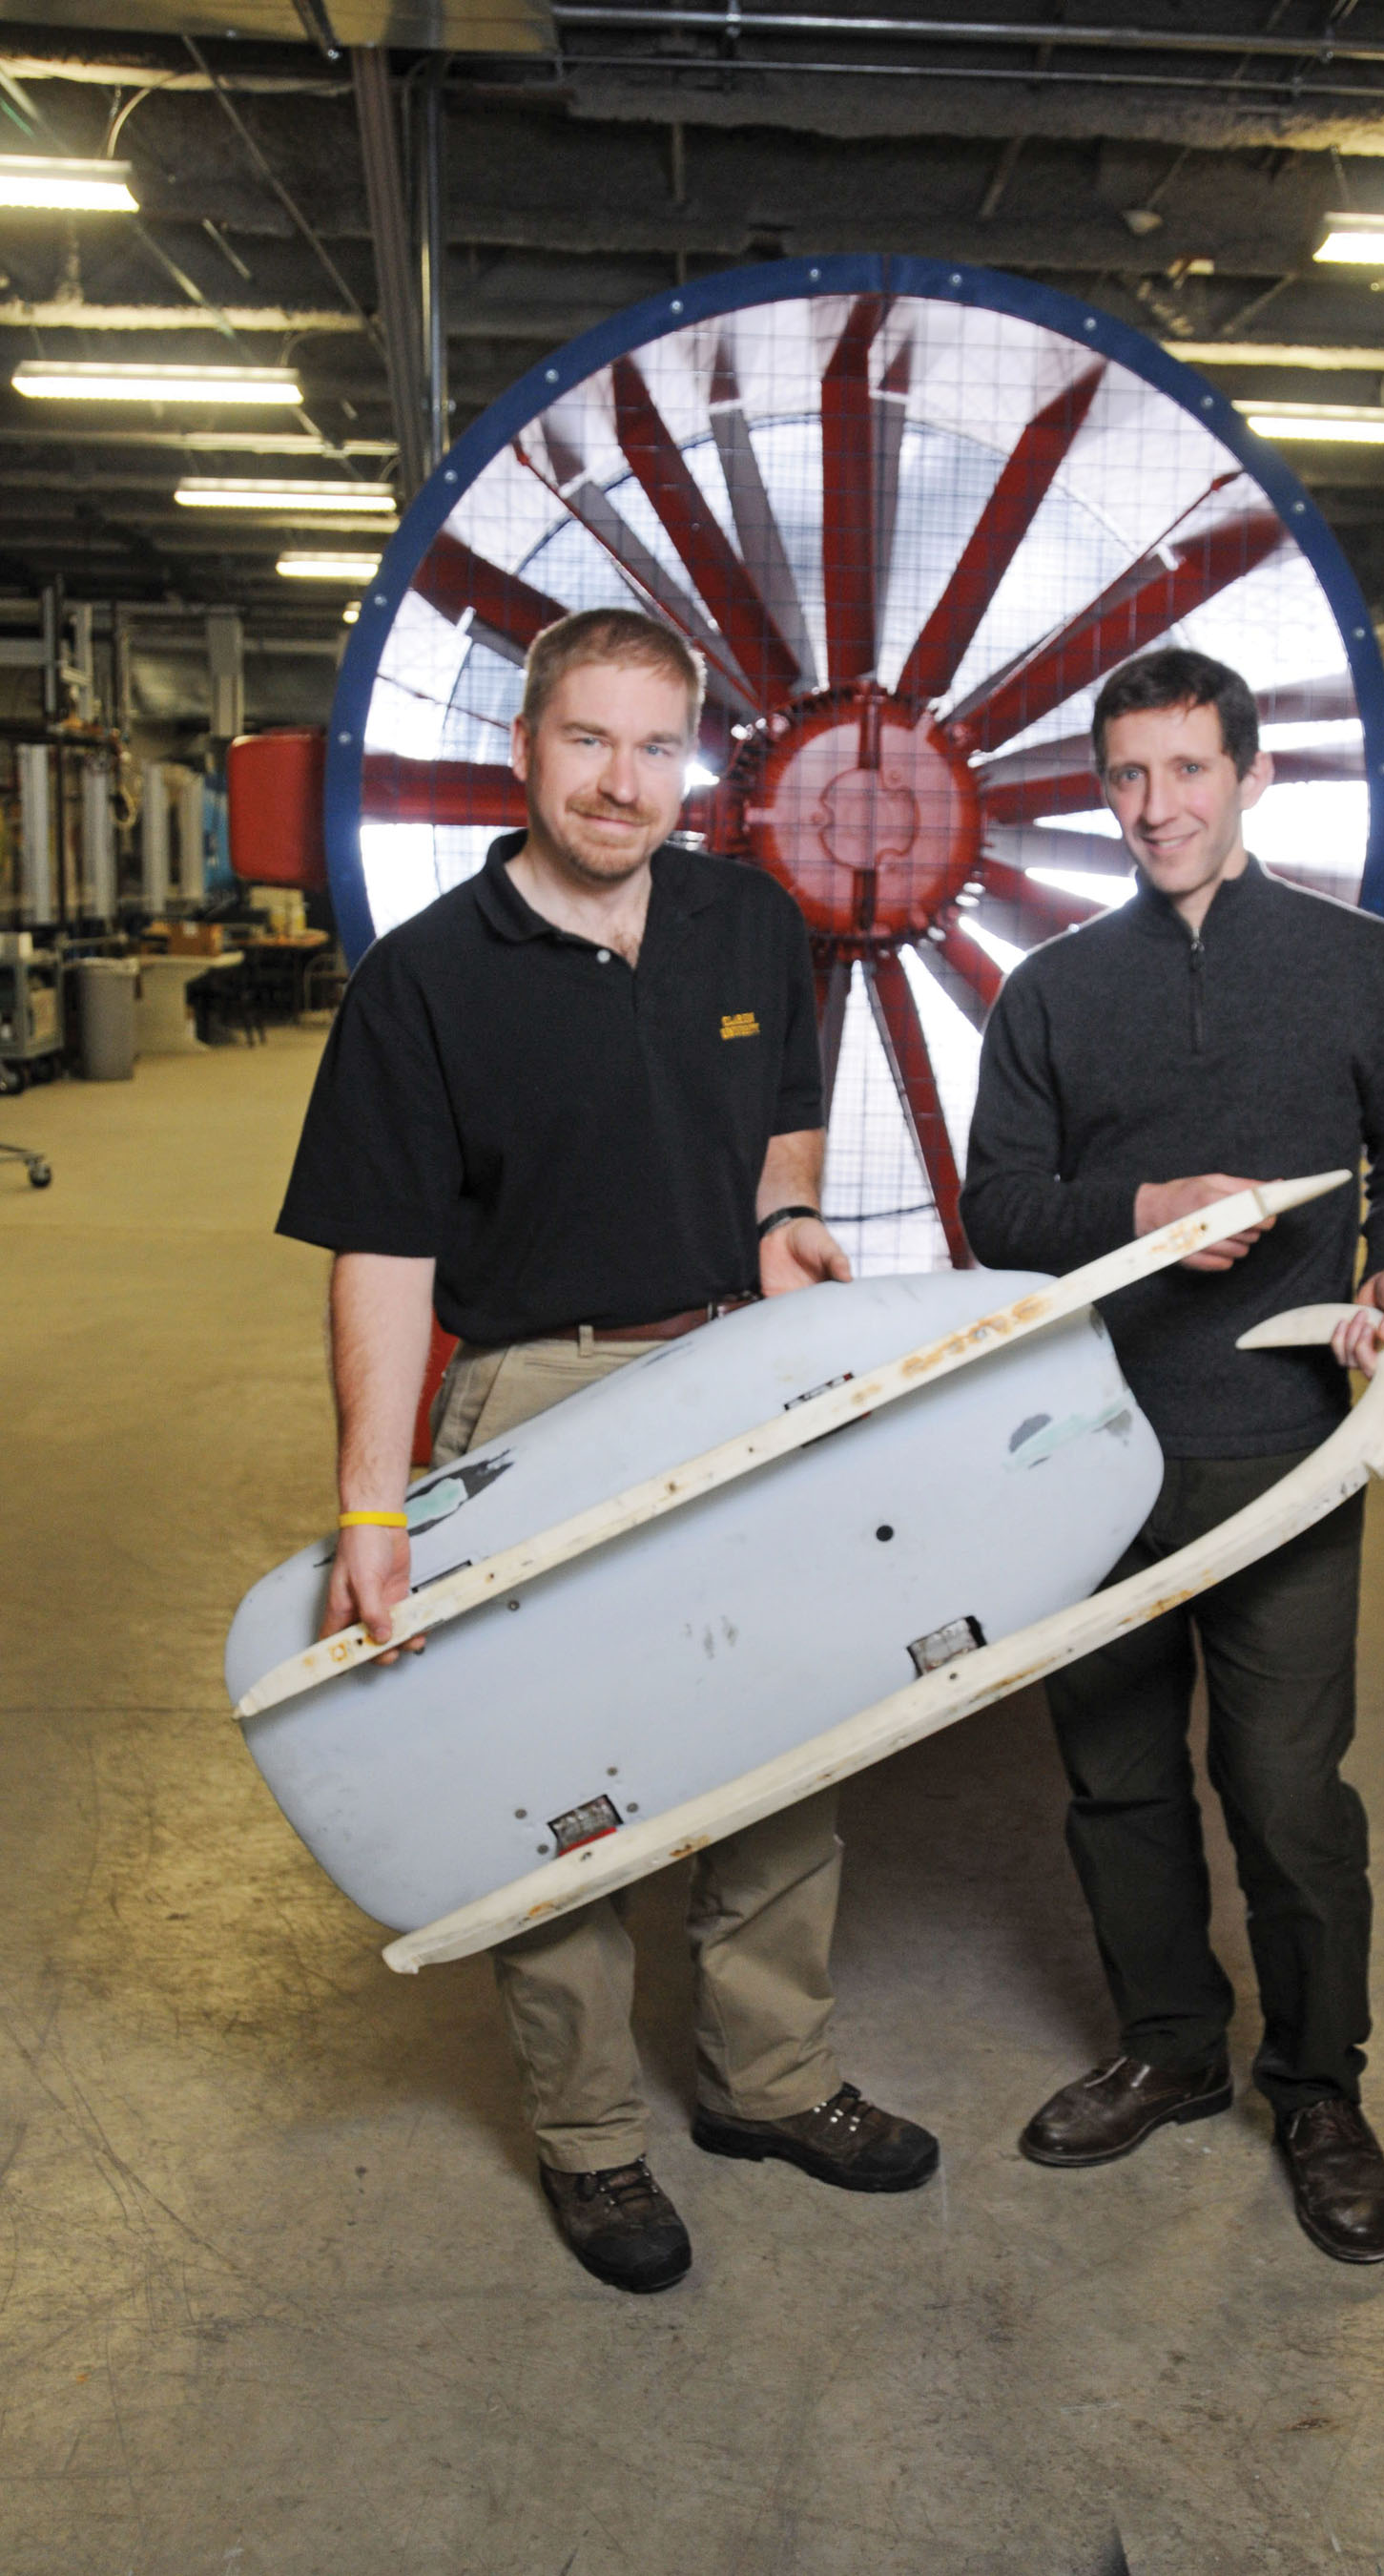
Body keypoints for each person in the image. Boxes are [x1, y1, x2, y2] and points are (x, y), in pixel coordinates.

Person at [277, 606, 938, 2296]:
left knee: (795, 1733)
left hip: (735, 1361)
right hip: (537, 1396)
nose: (622, 781)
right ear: (525, 750)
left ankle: (765, 2080)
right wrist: (372, 1499)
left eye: (657, 747)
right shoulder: (424, 984)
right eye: (588, 741)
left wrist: (786, 1214)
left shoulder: (746, 923)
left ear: (694, 763)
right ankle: (588, 2139)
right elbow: (383, 1255)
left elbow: (786, 1110)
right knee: (554, 1789)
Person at [960, 645, 1384, 2265]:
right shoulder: (1049, 993)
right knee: (1114, 1779)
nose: (1154, 806)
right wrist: (1140, 1216)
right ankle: (1171, 2045)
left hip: (1281, 1451)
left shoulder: (1365, 965)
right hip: (1085, 1456)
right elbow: (999, 1212)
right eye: (1125, 776)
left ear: (1250, 776)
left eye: (1185, 770)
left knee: (1287, 1793)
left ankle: (1317, 2087)